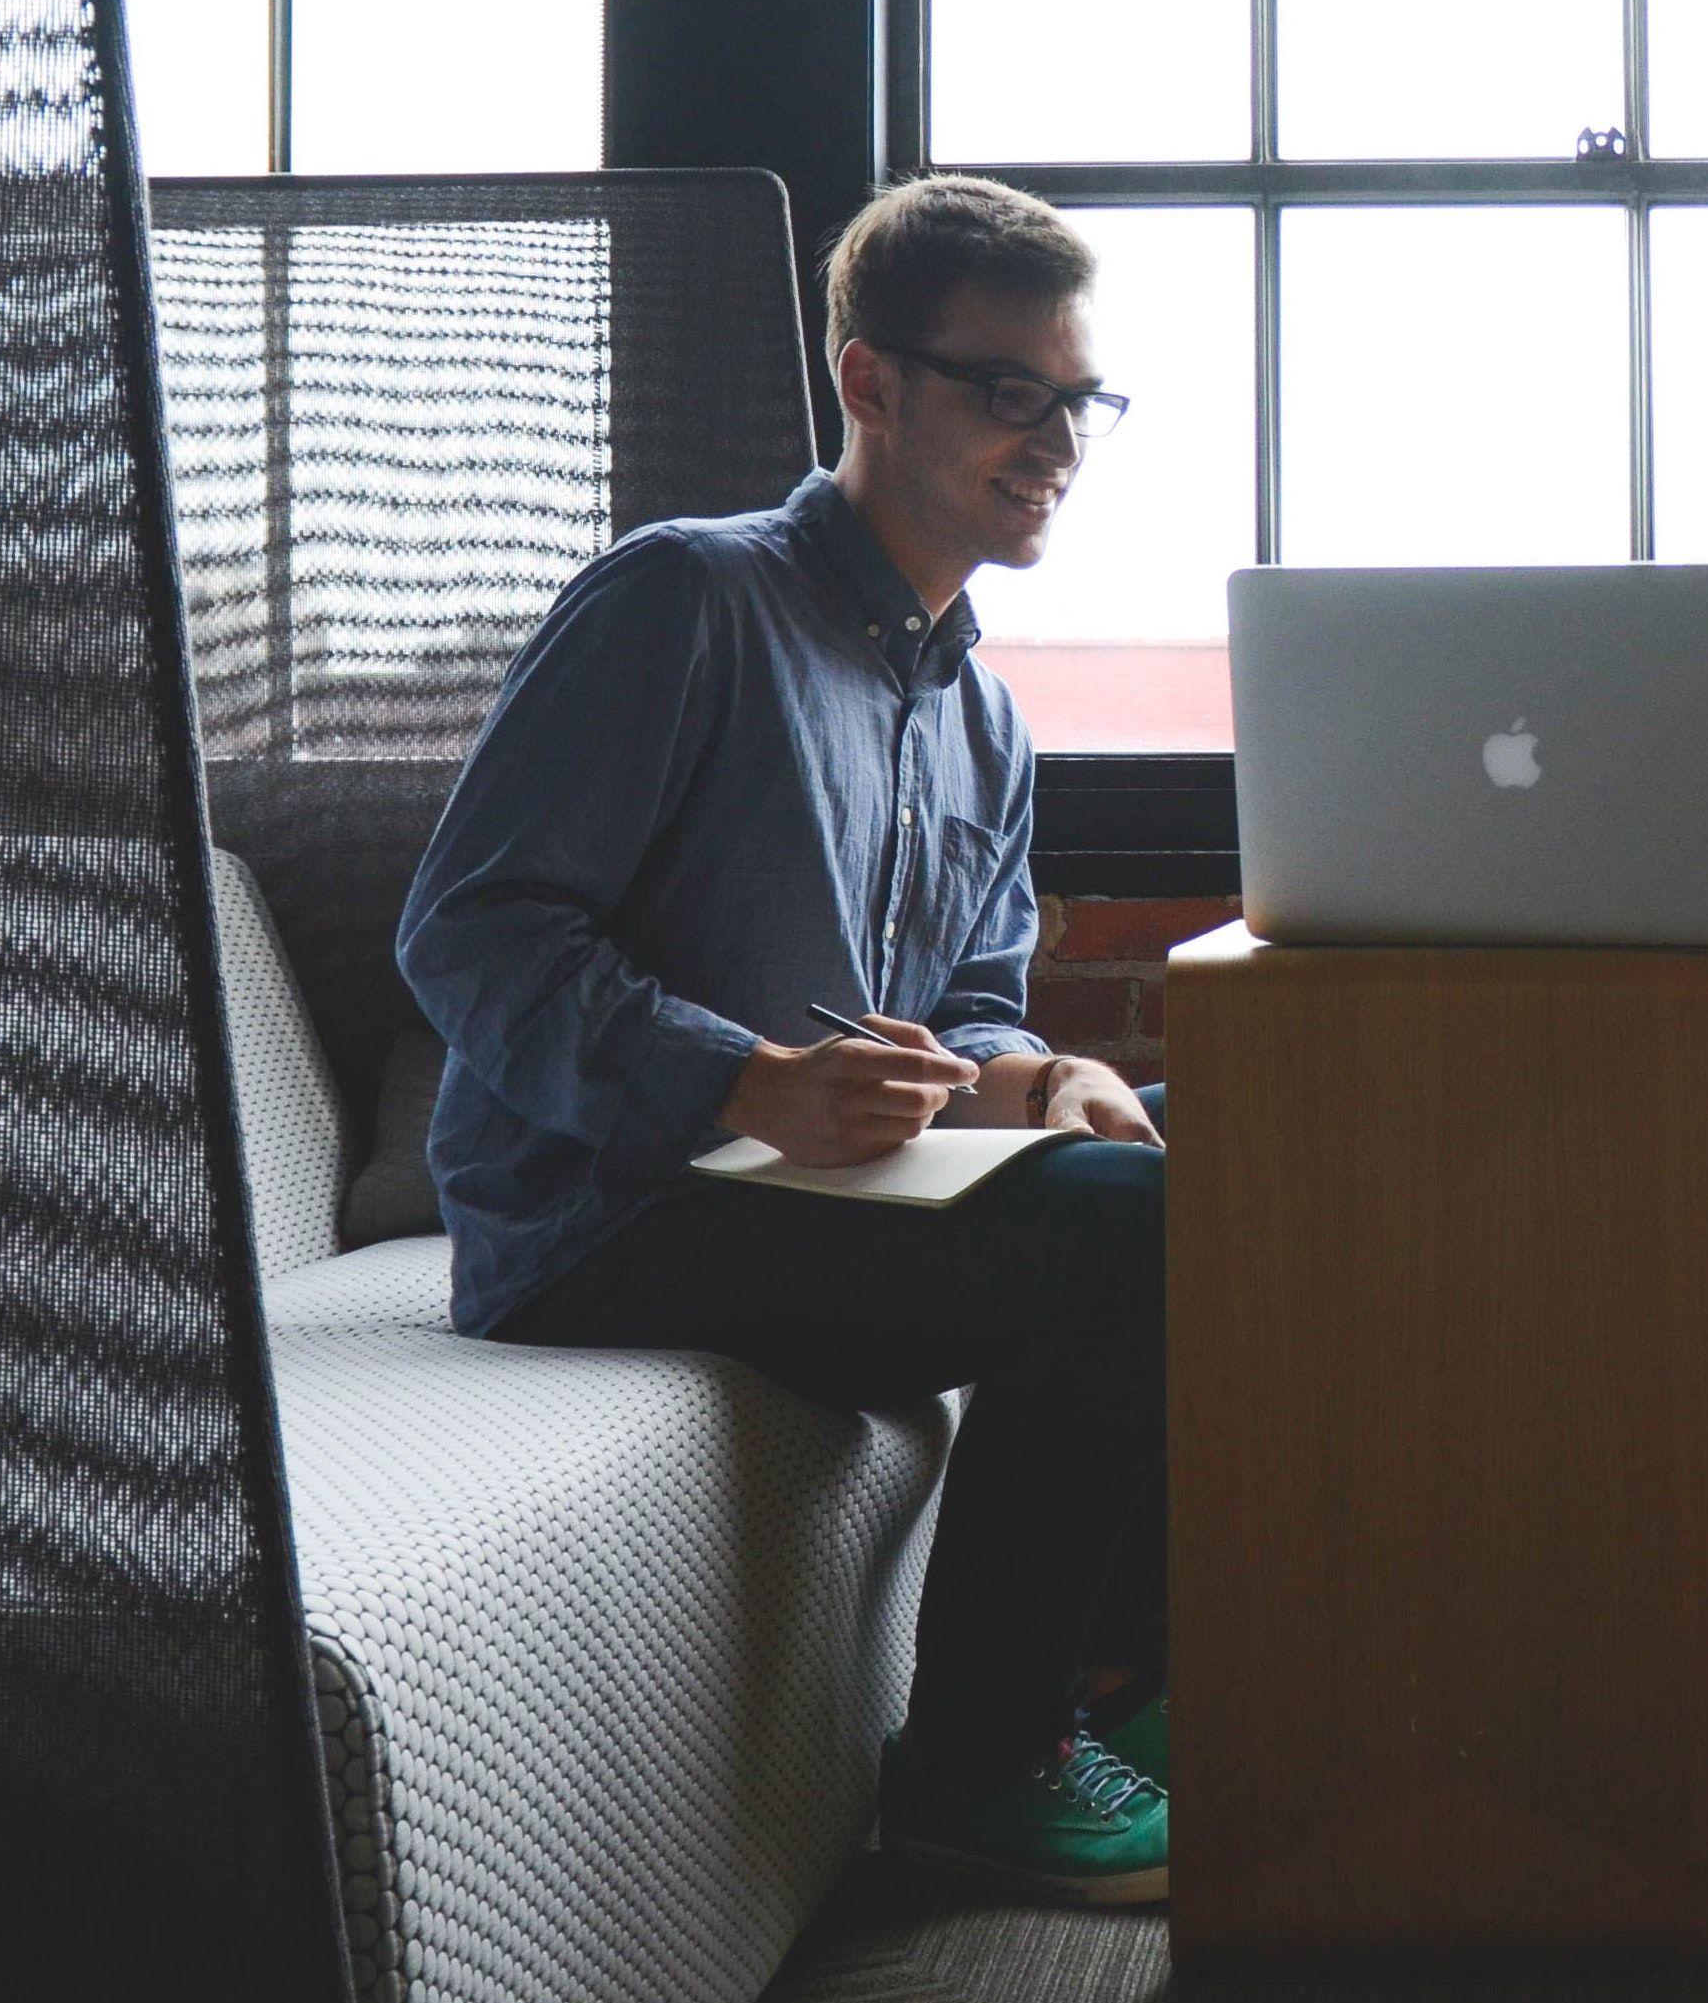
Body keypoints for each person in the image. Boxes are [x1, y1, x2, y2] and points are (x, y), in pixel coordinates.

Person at [397, 175, 1177, 1905]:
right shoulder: (683, 600)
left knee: (1219, 1152)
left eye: (1080, 400)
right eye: (1010, 393)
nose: (1057, 442)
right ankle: (983, 1766)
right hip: (612, 1221)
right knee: (1146, 1234)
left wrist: (1039, 1076)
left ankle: (1130, 1674)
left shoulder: (982, 715)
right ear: (872, 382)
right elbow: (469, 928)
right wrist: (745, 1083)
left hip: (833, 1199)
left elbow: (969, 998)